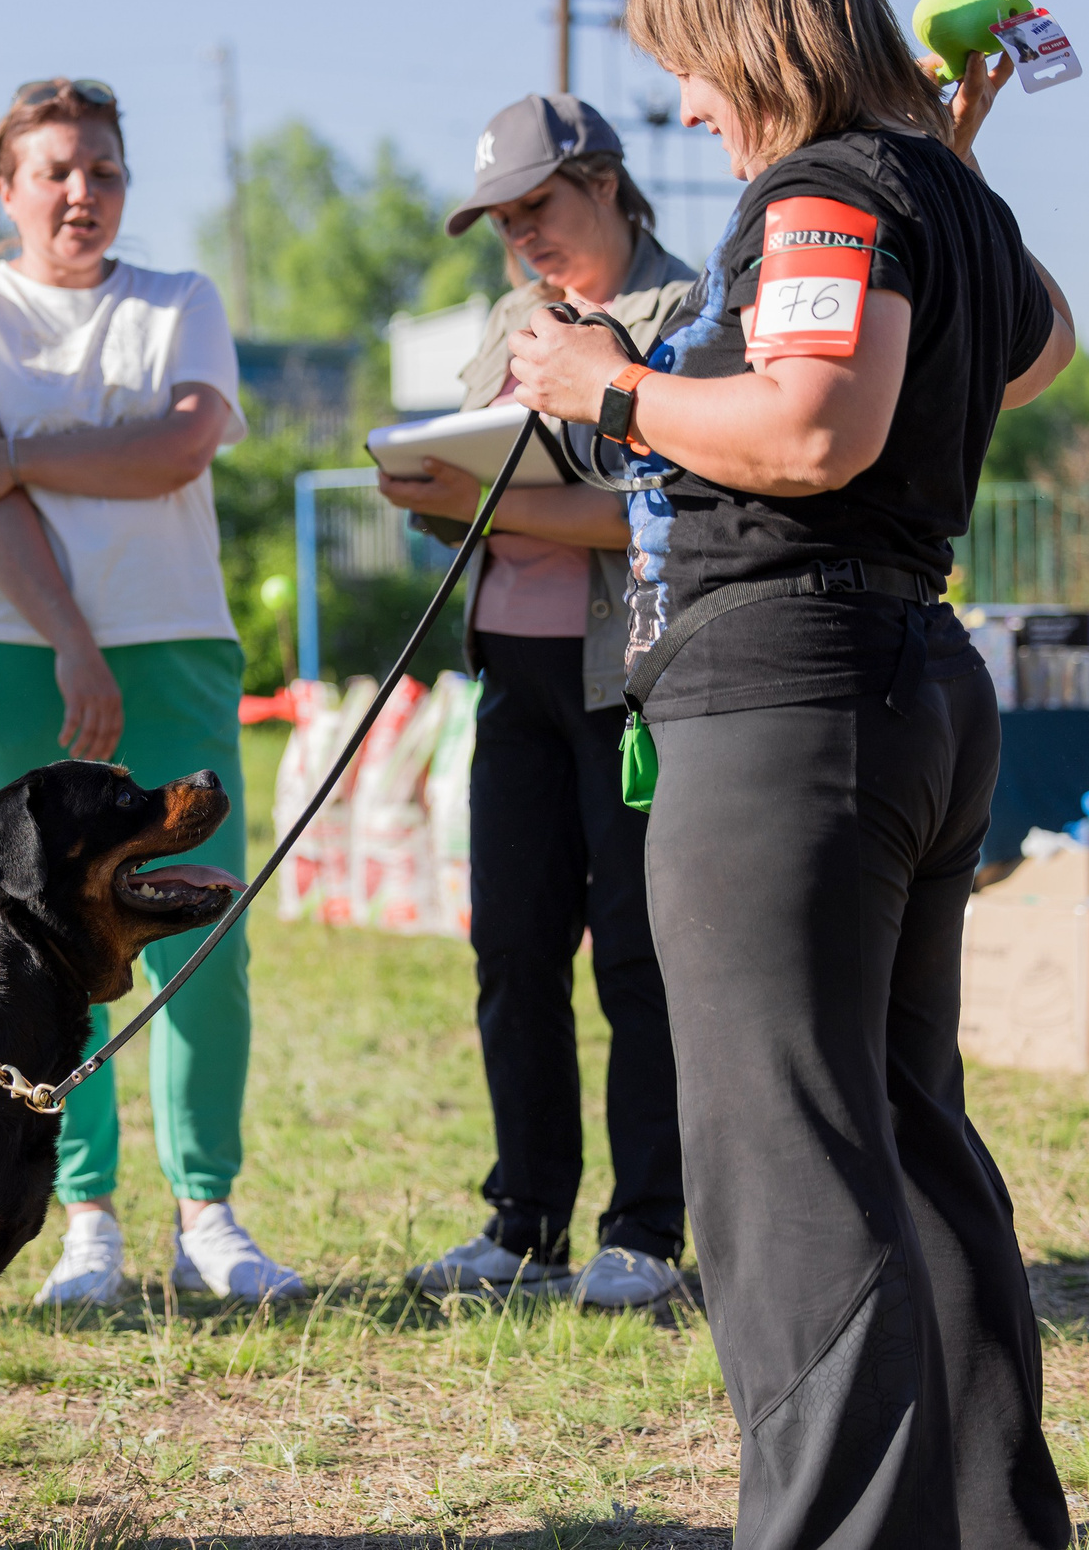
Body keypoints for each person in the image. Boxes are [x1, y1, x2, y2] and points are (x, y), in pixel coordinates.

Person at [509, 0, 1074, 1545]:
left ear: (754, 38)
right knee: (903, 1133)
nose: (686, 107)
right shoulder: (930, 189)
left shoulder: (824, 188)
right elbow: (1033, 346)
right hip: (903, 689)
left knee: (784, 1171)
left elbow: (817, 429)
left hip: (790, 705)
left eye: (687, 66)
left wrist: (610, 385)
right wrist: (944, 160)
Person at [0, 77, 303, 1306]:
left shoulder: (180, 303)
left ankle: (207, 1210)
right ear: (4, 190)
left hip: (172, 639)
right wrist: (72, 641)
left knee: (204, 922)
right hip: (1, 646)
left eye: (105, 170)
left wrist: (18, 451)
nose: (83, 192)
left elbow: (178, 446)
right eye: (55, 170)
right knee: (35, 936)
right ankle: (84, 1220)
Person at [381, 96, 695, 1310]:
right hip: (510, 677)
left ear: (606, 183)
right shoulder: (512, 321)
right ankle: (524, 1224)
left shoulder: (689, 314)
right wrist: (456, 497)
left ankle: (646, 1229)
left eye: (537, 207)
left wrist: (483, 503)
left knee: (637, 957)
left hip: (630, 684)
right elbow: (438, 486)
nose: (521, 239)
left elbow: (650, 512)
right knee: (512, 950)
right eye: (501, 222)